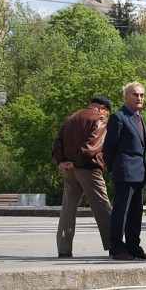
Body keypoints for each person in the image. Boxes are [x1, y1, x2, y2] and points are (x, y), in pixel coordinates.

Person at [52, 96, 113, 258]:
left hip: (69, 170)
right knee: (102, 207)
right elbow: (93, 145)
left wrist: (62, 161)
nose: (106, 115)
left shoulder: (71, 118)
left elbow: (58, 142)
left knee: (68, 208)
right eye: (107, 112)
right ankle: (114, 245)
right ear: (102, 108)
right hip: (88, 168)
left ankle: (64, 249)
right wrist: (77, 162)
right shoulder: (99, 118)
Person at [103, 82, 146, 260]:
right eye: (135, 94)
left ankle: (134, 247)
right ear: (126, 97)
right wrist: (113, 168)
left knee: (135, 213)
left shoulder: (139, 118)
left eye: (141, 95)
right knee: (121, 212)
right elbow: (109, 147)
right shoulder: (119, 117)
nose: (139, 98)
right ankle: (118, 248)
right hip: (125, 172)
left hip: (140, 173)